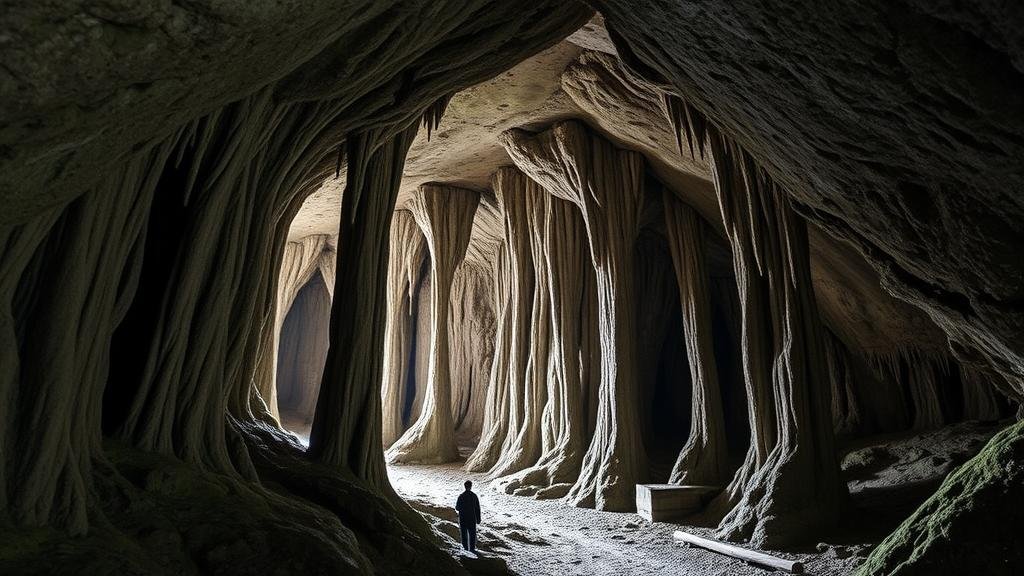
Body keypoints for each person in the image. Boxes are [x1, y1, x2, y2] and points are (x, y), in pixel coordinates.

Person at [455, 480, 481, 552]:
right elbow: (477, 508)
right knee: (472, 534)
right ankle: (472, 549)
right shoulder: (474, 496)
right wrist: (478, 519)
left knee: (464, 535)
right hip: (472, 519)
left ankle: (465, 549)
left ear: (465, 486)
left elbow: (457, 508)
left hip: (463, 518)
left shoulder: (461, 496)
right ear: (471, 486)